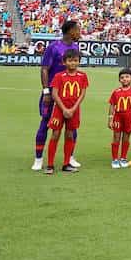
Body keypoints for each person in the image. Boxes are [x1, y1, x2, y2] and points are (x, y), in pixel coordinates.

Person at [33, 19, 81, 171]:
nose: (80, 33)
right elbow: (44, 69)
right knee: (45, 124)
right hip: (52, 93)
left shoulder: (75, 46)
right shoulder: (54, 47)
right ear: (70, 31)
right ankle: (39, 158)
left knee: (72, 127)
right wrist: (46, 90)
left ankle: (70, 158)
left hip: (69, 95)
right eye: (78, 30)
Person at [45, 49, 87, 174]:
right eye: (70, 61)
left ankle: (66, 164)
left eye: (75, 61)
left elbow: (82, 93)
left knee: (69, 134)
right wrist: (64, 109)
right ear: (64, 62)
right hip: (59, 110)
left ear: (79, 62)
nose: (73, 63)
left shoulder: (83, 76)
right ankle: (50, 165)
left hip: (74, 110)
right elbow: (54, 93)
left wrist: (72, 109)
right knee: (55, 134)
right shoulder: (59, 76)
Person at [107, 69, 131, 169]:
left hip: (129, 117)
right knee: (116, 137)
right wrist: (110, 119)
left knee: (126, 137)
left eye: (127, 77)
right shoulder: (116, 92)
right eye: (122, 77)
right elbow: (112, 106)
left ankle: (123, 158)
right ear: (119, 80)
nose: (124, 79)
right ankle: (114, 159)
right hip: (118, 117)